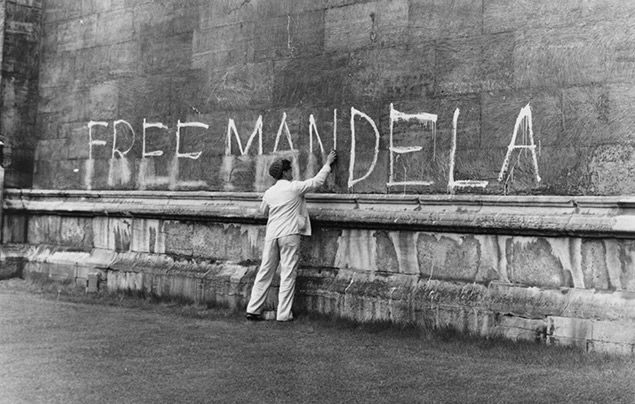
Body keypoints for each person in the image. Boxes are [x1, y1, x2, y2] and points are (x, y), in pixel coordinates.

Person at [246, 150, 337, 322]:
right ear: (285, 172)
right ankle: (283, 314)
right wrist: (328, 164)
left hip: (272, 234)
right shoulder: (294, 187)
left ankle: (253, 309)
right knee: (288, 273)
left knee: (265, 270)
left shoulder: (269, 192)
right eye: (290, 170)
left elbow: (263, 210)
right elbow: (317, 182)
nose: (292, 172)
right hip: (289, 233)